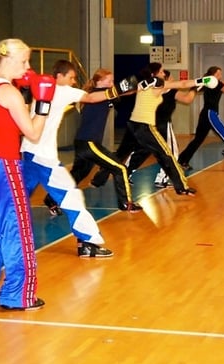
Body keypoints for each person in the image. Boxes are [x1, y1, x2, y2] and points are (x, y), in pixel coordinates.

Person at [0, 38, 55, 312]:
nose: (28, 67)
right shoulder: (9, 92)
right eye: (24, 61)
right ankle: (19, 295)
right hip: (2, 165)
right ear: (9, 59)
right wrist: (44, 102)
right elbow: (33, 133)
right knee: (17, 229)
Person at [21, 60, 137, 258]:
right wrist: (118, 89)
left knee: (18, 194)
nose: (74, 81)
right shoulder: (62, 90)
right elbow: (91, 98)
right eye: (71, 77)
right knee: (71, 196)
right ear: (60, 76)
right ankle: (87, 241)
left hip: (28, 151)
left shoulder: (41, 88)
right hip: (43, 156)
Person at [101, 62, 215, 196]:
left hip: (135, 124)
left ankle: (101, 177)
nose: (164, 74)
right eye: (161, 72)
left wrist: (111, 96)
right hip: (149, 126)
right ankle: (174, 183)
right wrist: (201, 82)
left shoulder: (143, 84)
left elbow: (129, 90)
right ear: (154, 74)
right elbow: (183, 85)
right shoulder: (159, 85)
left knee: (129, 152)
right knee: (168, 154)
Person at [58, 68, 142, 212]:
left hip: (82, 142)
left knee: (78, 174)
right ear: (99, 81)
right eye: (109, 80)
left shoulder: (105, 94)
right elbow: (110, 93)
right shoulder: (94, 95)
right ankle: (126, 203)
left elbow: (122, 92)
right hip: (89, 143)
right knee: (120, 168)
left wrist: (137, 87)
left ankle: (51, 201)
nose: (112, 83)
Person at [121, 69, 197, 188]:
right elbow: (187, 99)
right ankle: (162, 179)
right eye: (171, 78)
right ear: (166, 79)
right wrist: (195, 88)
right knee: (171, 152)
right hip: (163, 125)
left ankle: (125, 173)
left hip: (148, 124)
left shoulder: (149, 89)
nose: (173, 80)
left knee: (141, 150)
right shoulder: (170, 90)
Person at [177, 66, 224, 169]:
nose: (221, 75)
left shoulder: (212, 82)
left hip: (205, 114)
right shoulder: (215, 82)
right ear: (214, 74)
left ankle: (182, 160)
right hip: (210, 114)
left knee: (198, 140)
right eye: (219, 73)